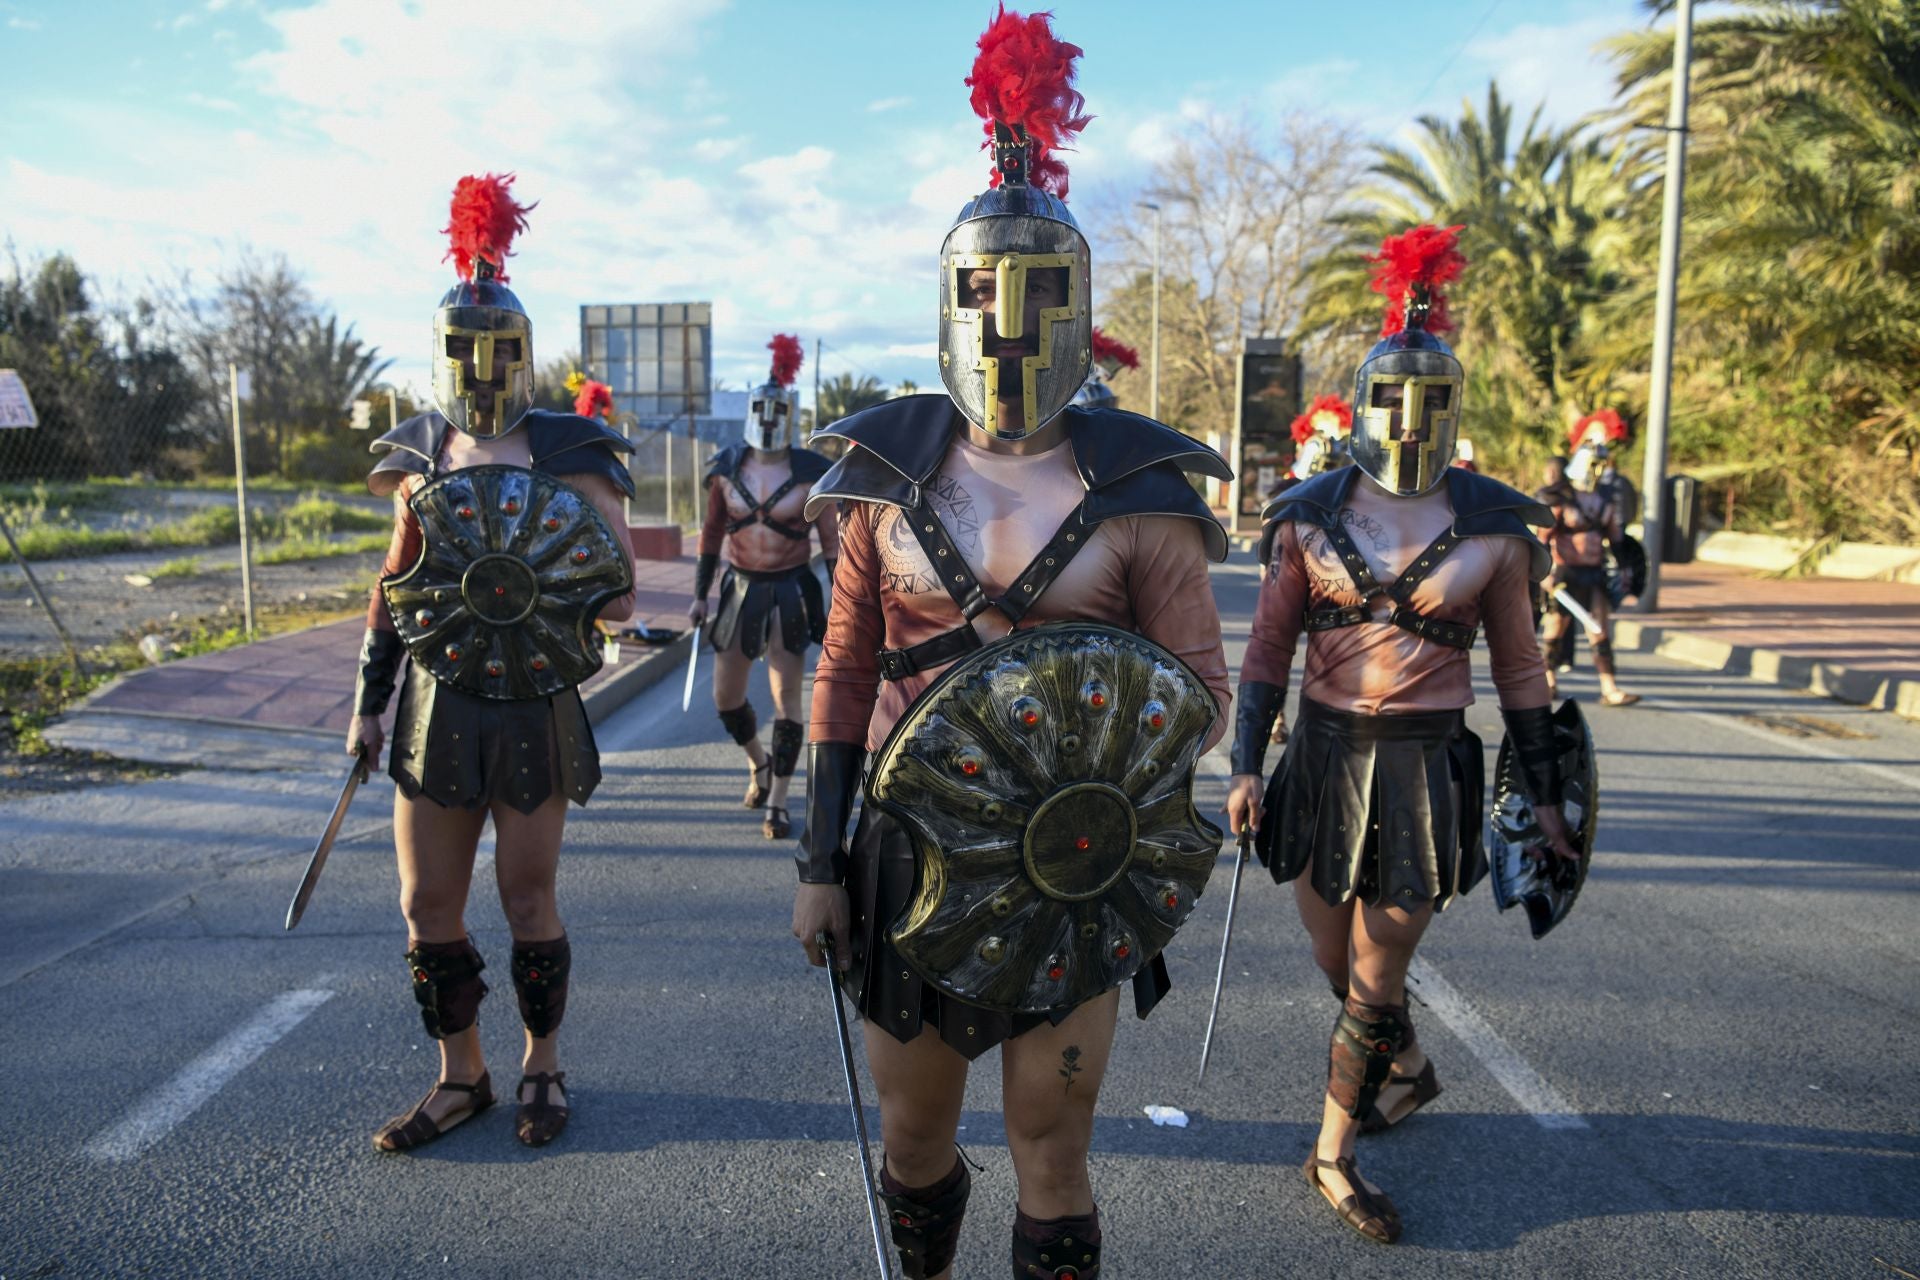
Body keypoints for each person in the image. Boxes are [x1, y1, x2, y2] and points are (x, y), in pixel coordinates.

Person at [791, 12, 1231, 1276]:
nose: (1007, 326)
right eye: (984, 293)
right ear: (948, 300)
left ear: (1079, 309)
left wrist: (1123, 776)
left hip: (1074, 864)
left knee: (1054, 1141)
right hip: (905, 852)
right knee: (916, 1139)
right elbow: (843, 674)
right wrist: (821, 859)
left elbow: (1194, 693)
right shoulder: (882, 475)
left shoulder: (1141, 488)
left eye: (1039, 296)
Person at [1223, 224, 1580, 1244]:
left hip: (1428, 764)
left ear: (1454, 408)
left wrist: (1544, 791)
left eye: (1431, 399)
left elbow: (1521, 669)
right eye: (1393, 396)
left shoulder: (1497, 529)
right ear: (1366, 401)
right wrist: (1248, 762)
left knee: (1377, 969)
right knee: (1334, 950)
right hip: (1322, 757)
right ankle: (1408, 1065)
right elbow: (1267, 651)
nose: (1409, 416)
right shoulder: (1304, 515)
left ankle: (1331, 1151)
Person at [346, 174, 637, 1151]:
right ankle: (459, 1075)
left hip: (531, 704)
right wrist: (367, 704)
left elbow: (617, 586)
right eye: (464, 346)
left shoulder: (569, 448)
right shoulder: (422, 452)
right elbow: (397, 590)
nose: (481, 362)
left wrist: (565, 608)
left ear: (523, 350)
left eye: (498, 346)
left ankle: (541, 1064)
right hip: (435, 701)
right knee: (426, 900)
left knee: (525, 895)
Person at [688, 335, 839, 839]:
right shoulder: (726, 469)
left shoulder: (812, 474)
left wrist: (844, 603)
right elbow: (711, 534)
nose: (770, 417)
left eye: (778, 409)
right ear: (753, 410)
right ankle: (759, 763)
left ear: (788, 413)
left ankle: (778, 800)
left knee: (787, 703)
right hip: (738, 591)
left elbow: (832, 543)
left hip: (790, 593)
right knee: (726, 699)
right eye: (762, 408)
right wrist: (698, 594)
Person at [1538, 441, 1640, 706]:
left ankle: (1609, 688)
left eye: (1601, 465)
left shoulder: (1604, 502)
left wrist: (1626, 569)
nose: (1598, 471)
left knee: (1600, 632)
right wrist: (1544, 573)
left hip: (1594, 575)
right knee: (1555, 631)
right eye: (1594, 465)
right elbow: (1542, 539)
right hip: (1564, 575)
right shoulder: (1560, 500)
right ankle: (1547, 681)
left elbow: (1617, 541)